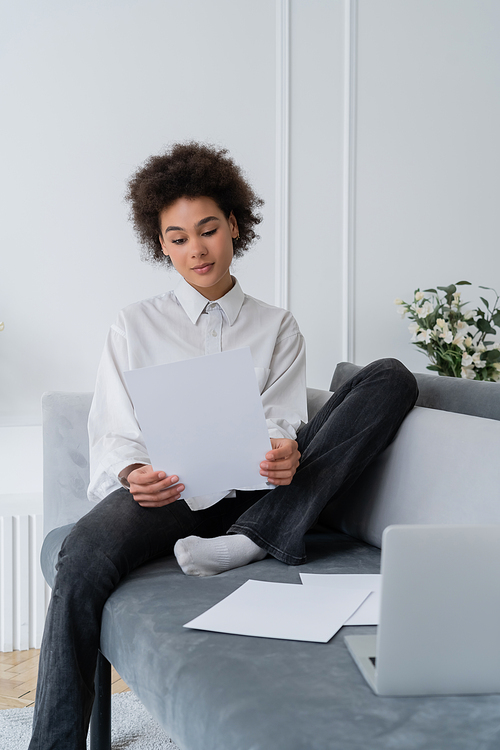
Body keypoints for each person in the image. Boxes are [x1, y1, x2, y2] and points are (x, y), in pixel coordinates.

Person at [29, 142, 418, 749]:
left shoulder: (277, 325)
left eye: (208, 230)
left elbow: (283, 422)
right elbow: (114, 428)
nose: (197, 249)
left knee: (391, 375)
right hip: (171, 496)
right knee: (79, 554)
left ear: (234, 226)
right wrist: (134, 472)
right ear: (162, 245)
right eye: (178, 238)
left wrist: (283, 452)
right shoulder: (133, 324)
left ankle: (250, 539)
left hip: (258, 494)